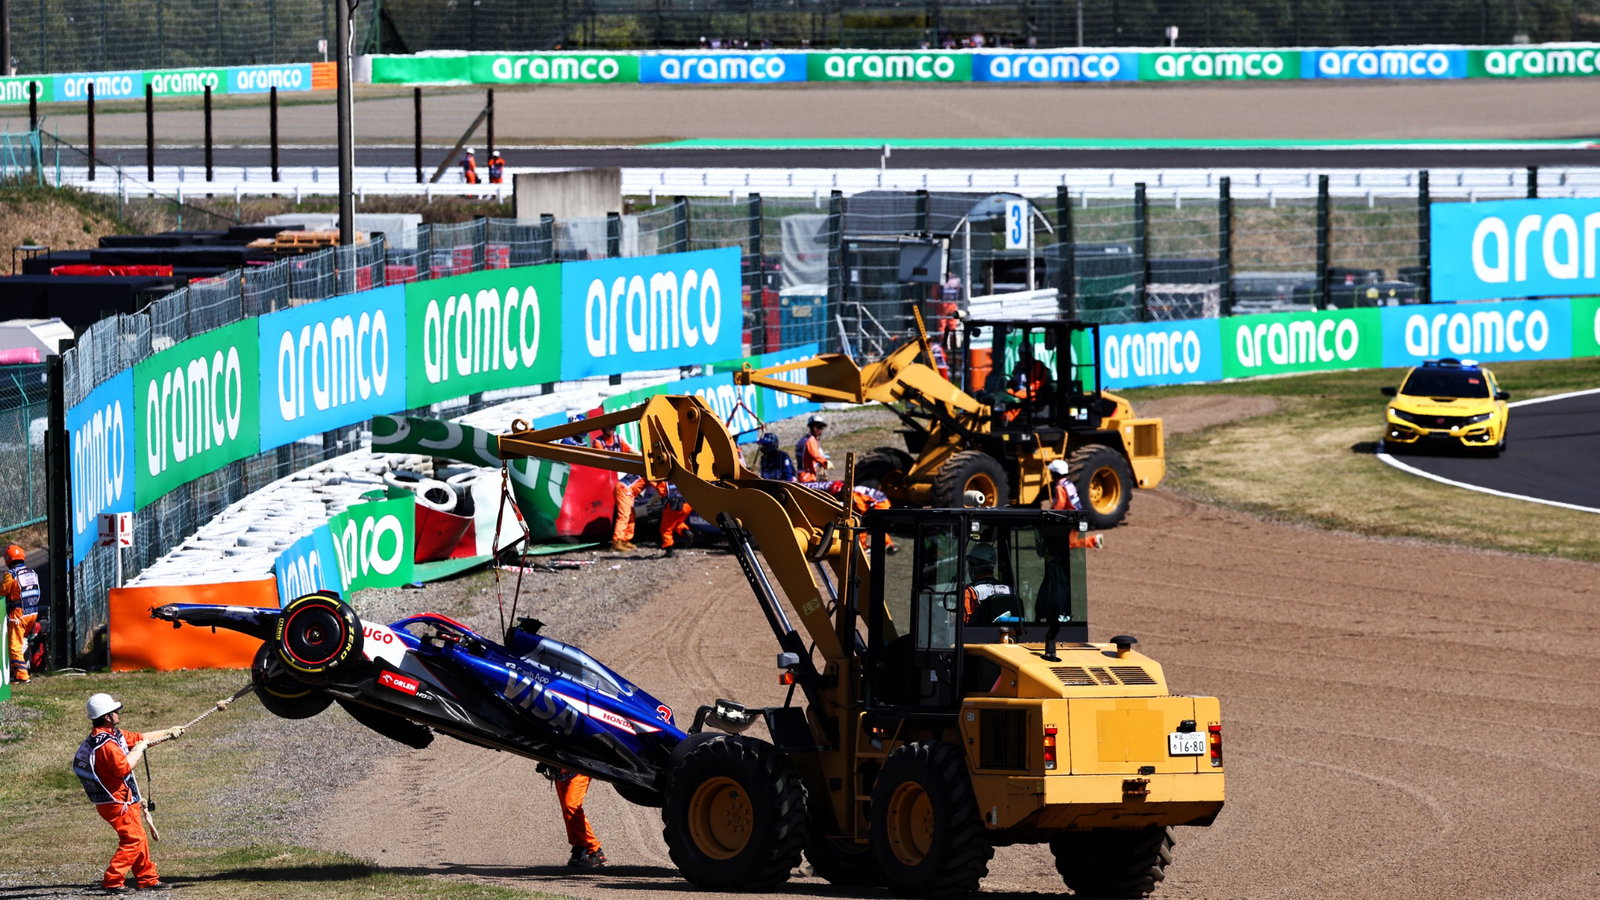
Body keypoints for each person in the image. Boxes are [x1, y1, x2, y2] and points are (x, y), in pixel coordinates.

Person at [74, 693, 185, 894]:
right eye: (115, 711)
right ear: (107, 717)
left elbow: (139, 738)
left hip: (124, 799)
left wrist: (167, 733)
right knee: (133, 839)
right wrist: (139, 751)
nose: (118, 713)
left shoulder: (112, 734)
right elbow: (123, 768)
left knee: (139, 837)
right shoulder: (107, 744)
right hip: (116, 802)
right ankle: (113, 881)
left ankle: (147, 878)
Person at [538, 764, 606, 868]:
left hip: (579, 767)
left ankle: (583, 849)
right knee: (568, 810)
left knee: (571, 806)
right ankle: (593, 850)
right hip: (560, 771)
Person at [593, 425, 645, 552]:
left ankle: (626, 539)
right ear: (603, 429)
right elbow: (601, 460)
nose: (611, 430)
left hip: (624, 481)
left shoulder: (618, 439)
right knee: (624, 515)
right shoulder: (598, 442)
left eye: (613, 428)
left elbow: (631, 450)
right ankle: (617, 541)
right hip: (617, 482)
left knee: (630, 514)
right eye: (609, 428)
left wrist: (640, 456)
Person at [1046, 460, 1104, 549]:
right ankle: (1094, 541)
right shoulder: (1068, 483)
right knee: (1068, 542)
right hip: (1077, 515)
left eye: (1051, 472)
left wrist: (1052, 514)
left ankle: (1094, 540)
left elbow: (1060, 504)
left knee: (1069, 543)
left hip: (1072, 518)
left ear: (1055, 474)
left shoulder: (1059, 487)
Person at [5, 544, 42, 683]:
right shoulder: (32, 572)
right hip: (32, 612)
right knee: (23, 642)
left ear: (8, 559)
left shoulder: (11, 574)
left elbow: (3, 591)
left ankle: (22, 676)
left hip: (18, 614)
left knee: (14, 645)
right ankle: (21, 668)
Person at [961, 543, 1016, 624]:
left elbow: (965, 621)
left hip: (978, 635)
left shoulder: (970, 591)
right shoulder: (1009, 590)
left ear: (975, 565)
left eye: (971, 563)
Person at [656, 481, 692, 557]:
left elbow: (661, 492)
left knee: (666, 529)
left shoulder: (663, 480)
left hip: (673, 506)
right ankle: (686, 532)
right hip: (687, 505)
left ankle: (669, 551)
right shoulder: (683, 476)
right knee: (676, 522)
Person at [794, 415, 830, 482]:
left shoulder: (803, 439)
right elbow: (817, 456)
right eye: (820, 427)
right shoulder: (811, 440)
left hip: (801, 474)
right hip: (808, 475)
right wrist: (826, 463)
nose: (821, 430)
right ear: (814, 427)